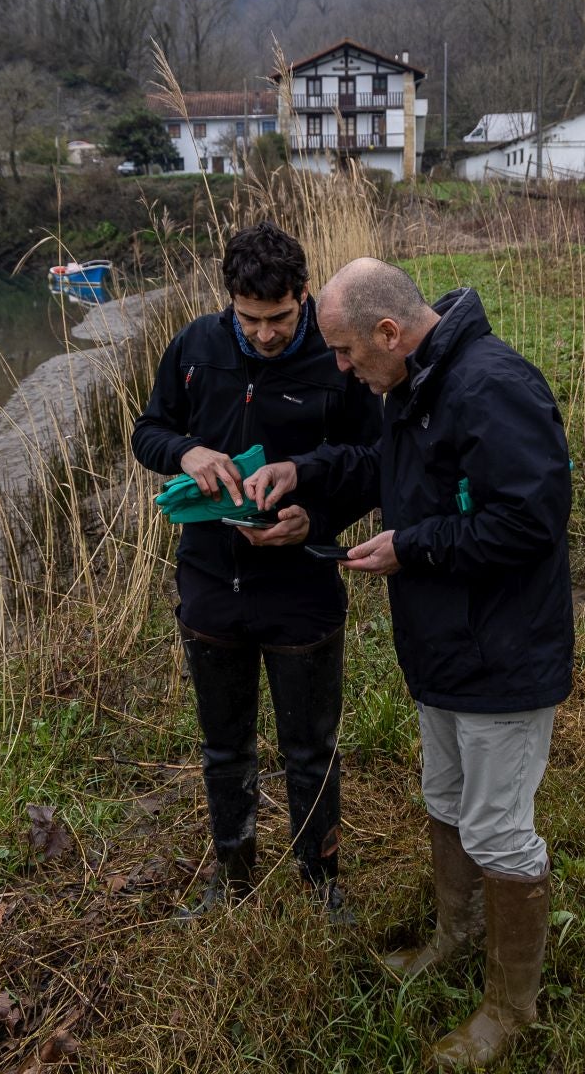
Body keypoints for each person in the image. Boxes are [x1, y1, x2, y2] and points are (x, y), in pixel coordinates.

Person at [247, 258, 573, 1069]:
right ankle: (457, 939)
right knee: (446, 797)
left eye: (348, 354)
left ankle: (511, 1009)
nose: (342, 370)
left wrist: (413, 546)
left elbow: (530, 520)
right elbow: (379, 473)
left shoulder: (492, 386)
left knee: (500, 829)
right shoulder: (412, 385)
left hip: (502, 655)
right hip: (443, 649)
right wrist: (306, 476)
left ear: (389, 332)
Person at [131, 222, 381, 919]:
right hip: (210, 585)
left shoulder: (337, 360)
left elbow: (377, 462)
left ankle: (319, 882)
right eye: (251, 319)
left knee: (311, 748)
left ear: (303, 296)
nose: (267, 335)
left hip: (301, 585)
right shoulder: (194, 348)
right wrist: (183, 452)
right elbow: (145, 430)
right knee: (222, 746)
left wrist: (316, 521)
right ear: (229, 303)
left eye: (280, 318)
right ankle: (232, 879)